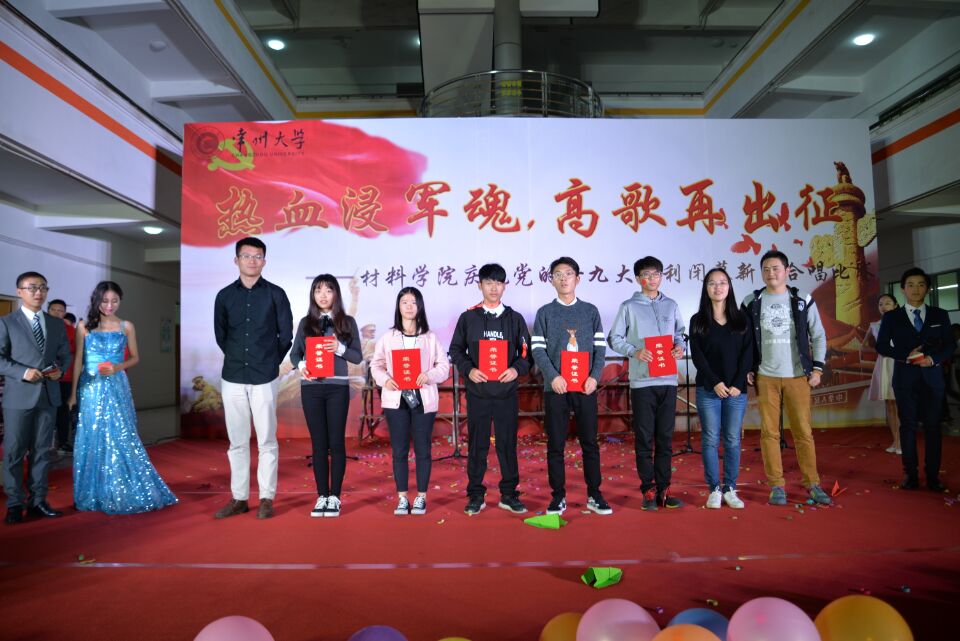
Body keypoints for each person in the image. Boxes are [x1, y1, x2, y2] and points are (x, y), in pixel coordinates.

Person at [67, 282, 177, 514]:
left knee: (121, 434)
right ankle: (95, 491)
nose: (109, 305)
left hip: (117, 385)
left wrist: (117, 367)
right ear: (96, 300)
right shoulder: (84, 326)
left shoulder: (126, 326)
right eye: (105, 301)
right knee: (93, 436)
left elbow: (135, 357)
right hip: (91, 388)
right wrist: (73, 394)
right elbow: (78, 361)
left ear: (120, 301)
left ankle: (121, 488)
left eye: (114, 301)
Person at [741, 250, 832, 506]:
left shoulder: (802, 299)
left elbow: (818, 334)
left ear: (787, 271)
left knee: (803, 432)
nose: (771, 273)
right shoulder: (752, 301)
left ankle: (812, 483)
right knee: (769, 433)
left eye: (776, 268)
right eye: (766, 269)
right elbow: (744, 339)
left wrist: (817, 369)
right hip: (765, 377)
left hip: (797, 376)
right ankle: (776, 486)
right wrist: (748, 367)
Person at [213, 237, 293, 520]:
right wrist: (237, 356)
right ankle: (239, 498)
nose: (252, 261)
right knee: (237, 441)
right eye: (246, 256)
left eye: (257, 256)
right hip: (233, 374)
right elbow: (221, 335)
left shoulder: (276, 294)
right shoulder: (224, 296)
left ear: (264, 261)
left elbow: (286, 335)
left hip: (265, 376)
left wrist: (270, 362)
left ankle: (266, 498)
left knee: (267, 439)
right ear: (236, 260)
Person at [531, 257, 612, 515]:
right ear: (551, 280)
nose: (563, 278)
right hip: (556, 388)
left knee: (590, 443)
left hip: (585, 386)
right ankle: (558, 496)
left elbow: (600, 348)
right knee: (556, 444)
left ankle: (595, 494)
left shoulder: (590, 311)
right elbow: (537, 349)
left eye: (568, 274)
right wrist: (553, 377)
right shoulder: (545, 312)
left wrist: (594, 377)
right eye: (558, 274)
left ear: (578, 279)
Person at [450, 263, 532, 515]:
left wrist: (516, 369)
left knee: (507, 445)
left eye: (498, 283)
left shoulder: (514, 318)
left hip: (506, 394)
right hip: (479, 393)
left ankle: (509, 494)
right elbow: (455, 350)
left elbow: (526, 354)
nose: (494, 288)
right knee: (477, 446)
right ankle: (476, 494)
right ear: (480, 285)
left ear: (505, 286)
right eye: (489, 282)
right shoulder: (468, 318)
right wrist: (469, 369)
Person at [608, 256, 685, 510]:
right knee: (644, 438)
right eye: (646, 274)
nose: (651, 279)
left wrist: (680, 347)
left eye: (656, 274)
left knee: (665, 438)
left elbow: (680, 334)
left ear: (662, 276)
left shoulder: (671, 305)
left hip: (668, 381)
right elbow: (614, 338)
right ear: (638, 278)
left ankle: (664, 489)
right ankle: (648, 490)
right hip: (642, 382)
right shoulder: (629, 306)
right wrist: (634, 351)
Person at [370, 287, 450, 516]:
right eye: (404, 301)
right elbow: (376, 365)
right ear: (398, 306)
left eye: (413, 302)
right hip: (396, 400)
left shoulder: (430, 337)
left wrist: (429, 375)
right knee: (399, 450)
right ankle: (403, 497)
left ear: (420, 306)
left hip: (422, 398)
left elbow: (444, 366)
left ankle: (421, 497)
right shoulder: (388, 337)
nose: (408, 306)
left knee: (423, 449)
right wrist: (385, 380)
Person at [876, 268, 956, 492]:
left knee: (933, 427)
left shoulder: (940, 315)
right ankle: (910, 475)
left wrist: (933, 359)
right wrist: (906, 356)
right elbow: (881, 346)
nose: (915, 289)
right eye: (910, 285)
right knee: (908, 426)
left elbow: (950, 344)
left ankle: (933, 477)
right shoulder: (892, 317)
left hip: (933, 378)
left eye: (921, 284)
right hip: (905, 378)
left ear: (927, 288)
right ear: (903, 289)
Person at [0, 272, 70, 525]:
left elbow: (65, 355)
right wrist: (23, 372)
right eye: (32, 288)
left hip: (48, 396)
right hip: (18, 397)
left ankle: (38, 500)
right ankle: (15, 503)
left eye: (42, 287)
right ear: (19, 291)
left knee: (42, 452)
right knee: (14, 452)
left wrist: (60, 370)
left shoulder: (56, 324)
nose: (38, 292)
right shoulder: (7, 322)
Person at [290, 274, 362, 517]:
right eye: (318, 290)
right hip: (311, 388)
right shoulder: (306, 323)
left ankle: (335, 497)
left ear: (336, 294)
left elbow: (357, 357)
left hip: (337, 388)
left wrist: (339, 348)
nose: (322, 295)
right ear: (313, 294)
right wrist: (302, 366)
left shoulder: (347, 322)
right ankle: (322, 495)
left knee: (336, 442)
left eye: (328, 290)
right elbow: (295, 354)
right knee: (318, 443)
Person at [689, 268, 752, 509]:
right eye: (712, 283)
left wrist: (737, 383)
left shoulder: (742, 319)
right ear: (706, 288)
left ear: (729, 287)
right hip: (709, 389)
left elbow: (748, 354)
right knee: (710, 438)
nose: (718, 287)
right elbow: (698, 357)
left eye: (722, 282)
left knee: (733, 439)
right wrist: (715, 381)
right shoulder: (698, 320)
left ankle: (730, 488)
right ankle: (714, 489)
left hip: (736, 391)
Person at [866, 294, 900, 454]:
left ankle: (902, 441)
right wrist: (879, 350)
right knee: (890, 404)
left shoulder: (903, 323)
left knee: (901, 404)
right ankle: (896, 441)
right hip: (884, 364)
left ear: (895, 305)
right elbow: (863, 346)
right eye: (880, 304)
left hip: (899, 363)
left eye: (887, 303)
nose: (884, 306)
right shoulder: (874, 325)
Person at [47, 299, 76, 454]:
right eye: (53, 310)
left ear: (64, 313)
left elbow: (76, 351)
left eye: (60, 310)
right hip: (45, 377)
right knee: (46, 410)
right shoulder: (41, 327)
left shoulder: (71, 330)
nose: (57, 313)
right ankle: (43, 443)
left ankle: (63, 442)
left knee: (64, 411)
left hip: (65, 377)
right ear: (48, 310)